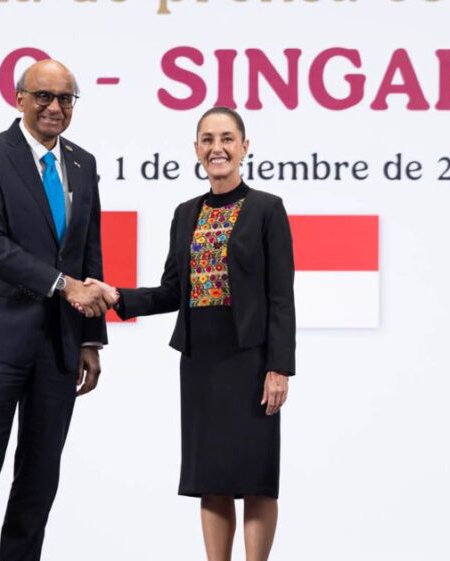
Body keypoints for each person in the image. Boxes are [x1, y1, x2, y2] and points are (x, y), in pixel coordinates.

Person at [87, 107, 296, 561]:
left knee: (257, 477)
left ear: (245, 146)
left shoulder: (267, 209)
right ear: (197, 150)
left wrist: (279, 367)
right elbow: (171, 291)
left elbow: (280, 296)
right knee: (212, 477)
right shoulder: (185, 214)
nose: (217, 148)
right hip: (201, 360)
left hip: (252, 360)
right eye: (207, 140)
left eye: (227, 138)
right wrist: (116, 296)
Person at [0, 59, 117, 561]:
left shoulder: (83, 163)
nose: (55, 107)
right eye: (44, 96)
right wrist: (63, 286)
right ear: (19, 98)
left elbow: (88, 254)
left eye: (65, 98)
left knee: (39, 481)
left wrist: (91, 338)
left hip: (59, 345)